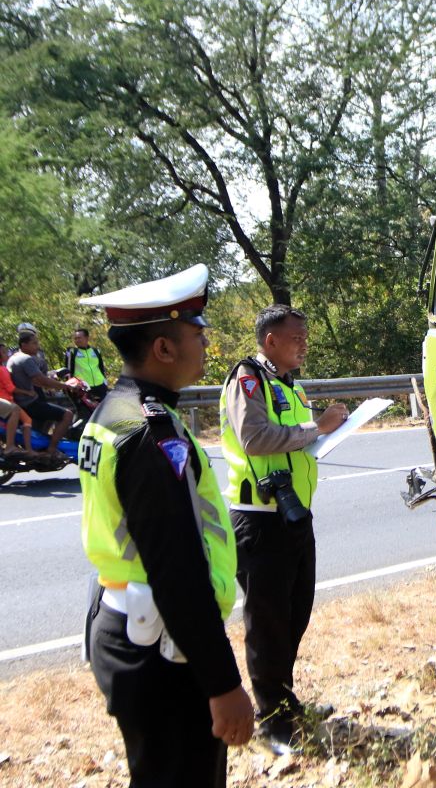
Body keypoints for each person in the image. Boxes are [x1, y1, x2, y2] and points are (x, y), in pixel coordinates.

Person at [77, 264, 254, 787]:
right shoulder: (149, 433)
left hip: (131, 631)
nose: (206, 344)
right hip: (162, 649)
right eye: (197, 333)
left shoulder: (116, 410)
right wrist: (223, 685)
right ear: (164, 349)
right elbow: (177, 570)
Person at [219, 304, 347, 753]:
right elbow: (254, 437)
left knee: (295, 613)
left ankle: (285, 701)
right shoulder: (247, 378)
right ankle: (272, 720)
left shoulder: (286, 382)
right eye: (297, 337)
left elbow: (294, 441)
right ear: (271, 340)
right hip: (259, 520)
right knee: (267, 622)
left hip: (293, 514)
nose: (304, 344)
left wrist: (325, 432)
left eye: (305, 336)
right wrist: (316, 427)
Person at [7, 330, 77, 458]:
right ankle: (51, 449)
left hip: (21, 401)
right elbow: (41, 379)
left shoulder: (14, 358)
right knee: (67, 415)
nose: (37, 346)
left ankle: (41, 447)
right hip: (29, 403)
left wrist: (51, 384)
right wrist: (66, 386)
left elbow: (36, 381)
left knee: (48, 410)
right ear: (24, 345)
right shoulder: (26, 359)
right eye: (34, 343)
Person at [0, 347, 35, 457]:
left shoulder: (4, 368)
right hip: (5, 400)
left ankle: (28, 450)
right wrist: (28, 392)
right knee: (16, 410)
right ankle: (10, 447)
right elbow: (11, 388)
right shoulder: (2, 369)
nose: (7, 354)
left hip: (8, 401)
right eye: (4, 352)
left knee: (27, 419)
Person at [65, 327, 109, 400]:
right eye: (75, 338)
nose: (77, 340)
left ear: (87, 338)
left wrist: (104, 382)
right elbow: (68, 370)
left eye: (79, 338)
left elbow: (101, 368)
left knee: (104, 410)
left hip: (100, 386)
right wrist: (70, 386)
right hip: (83, 387)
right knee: (87, 411)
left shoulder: (96, 351)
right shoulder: (72, 352)